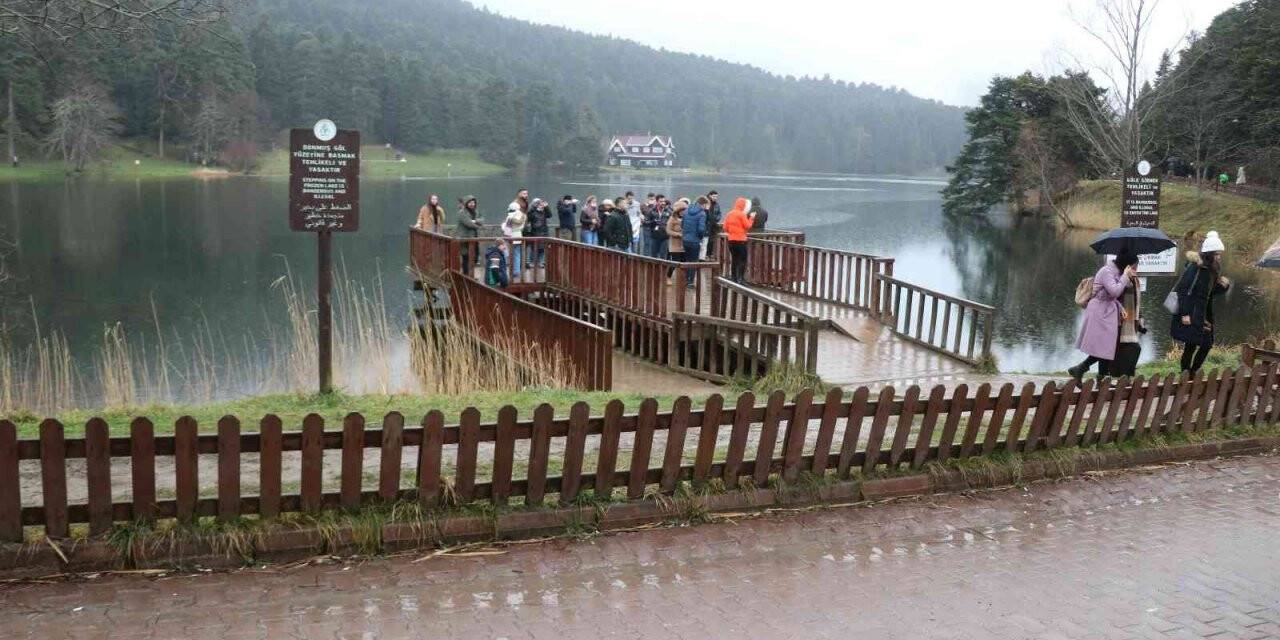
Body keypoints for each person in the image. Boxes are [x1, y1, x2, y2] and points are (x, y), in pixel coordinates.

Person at [1068, 251, 1139, 382]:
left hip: (1108, 311)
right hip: (1099, 311)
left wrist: (1121, 307)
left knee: (1106, 347)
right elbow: (1115, 291)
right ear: (1126, 265)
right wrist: (1124, 277)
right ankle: (1083, 370)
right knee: (1105, 347)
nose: (1135, 269)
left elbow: (1113, 296)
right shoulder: (1106, 271)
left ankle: (1094, 375)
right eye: (1133, 267)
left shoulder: (1117, 272)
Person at [1170, 231, 1231, 373]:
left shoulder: (1210, 269)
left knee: (1206, 344)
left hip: (1202, 314)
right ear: (1210, 255)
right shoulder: (1196, 268)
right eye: (1217, 254)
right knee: (1191, 345)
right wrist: (1184, 314)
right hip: (1191, 313)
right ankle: (1186, 374)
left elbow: (1208, 293)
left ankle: (1191, 373)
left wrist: (1224, 286)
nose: (1219, 257)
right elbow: (1183, 291)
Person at [722, 197, 756, 283]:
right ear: (743, 206)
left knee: (734, 259)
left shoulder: (729, 214)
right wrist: (751, 218)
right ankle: (741, 278)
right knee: (743, 259)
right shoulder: (741, 214)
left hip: (731, 240)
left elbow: (725, 228)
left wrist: (732, 232)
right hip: (741, 240)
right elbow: (748, 226)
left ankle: (733, 278)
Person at [682, 196, 709, 287]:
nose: (706, 207)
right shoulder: (702, 214)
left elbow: (682, 225)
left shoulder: (686, 211)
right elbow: (701, 229)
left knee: (687, 260)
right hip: (695, 241)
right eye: (706, 205)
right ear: (703, 204)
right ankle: (690, 282)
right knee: (693, 261)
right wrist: (700, 238)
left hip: (685, 240)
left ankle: (685, 280)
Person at [455, 195, 483, 272]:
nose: (472, 204)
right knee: (466, 257)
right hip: (465, 238)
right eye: (470, 202)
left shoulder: (476, 212)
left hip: (474, 237)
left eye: (473, 202)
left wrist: (475, 221)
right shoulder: (462, 212)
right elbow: (468, 223)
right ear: (466, 203)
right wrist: (478, 226)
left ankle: (471, 274)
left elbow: (482, 220)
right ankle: (466, 275)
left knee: (474, 257)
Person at [501, 202, 526, 279]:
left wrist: (502, 225)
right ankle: (517, 271)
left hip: (510, 236)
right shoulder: (523, 215)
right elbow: (522, 226)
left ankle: (503, 269)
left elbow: (505, 227)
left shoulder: (510, 216)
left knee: (505, 253)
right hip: (519, 235)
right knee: (517, 254)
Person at [525, 198, 552, 267]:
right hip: (535, 232)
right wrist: (534, 208)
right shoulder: (532, 211)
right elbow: (529, 217)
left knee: (542, 248)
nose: (541, 205)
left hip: (544, 231)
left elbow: (549, 215)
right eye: (539, 204)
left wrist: (547, 207)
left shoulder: (544, 211)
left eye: (542, 204)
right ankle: (531, 262)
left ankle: (541, 262)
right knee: (534, 248)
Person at [666, 198, 688, 279]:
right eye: (681, 210)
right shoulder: (672, 219)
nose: (683, 212)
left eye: (684, 210)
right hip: (674, 245)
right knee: (675, 262)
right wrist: (677, 234)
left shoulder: (687, 218)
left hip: (684, 245)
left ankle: (682, 278)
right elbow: (668, 230)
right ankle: (668, 277)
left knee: (684, 262)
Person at [704, 190, 723, 259]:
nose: (715, 198)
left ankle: (710, 254)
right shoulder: (706, 203)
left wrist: (717, 219)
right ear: (710, 196)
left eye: (716, 196)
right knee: (705, 240)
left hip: (713, 224)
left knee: (711, 240)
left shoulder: (716, 204)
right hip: (706, 224)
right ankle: (705, 255)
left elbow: (719, 213)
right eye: (714, 196)